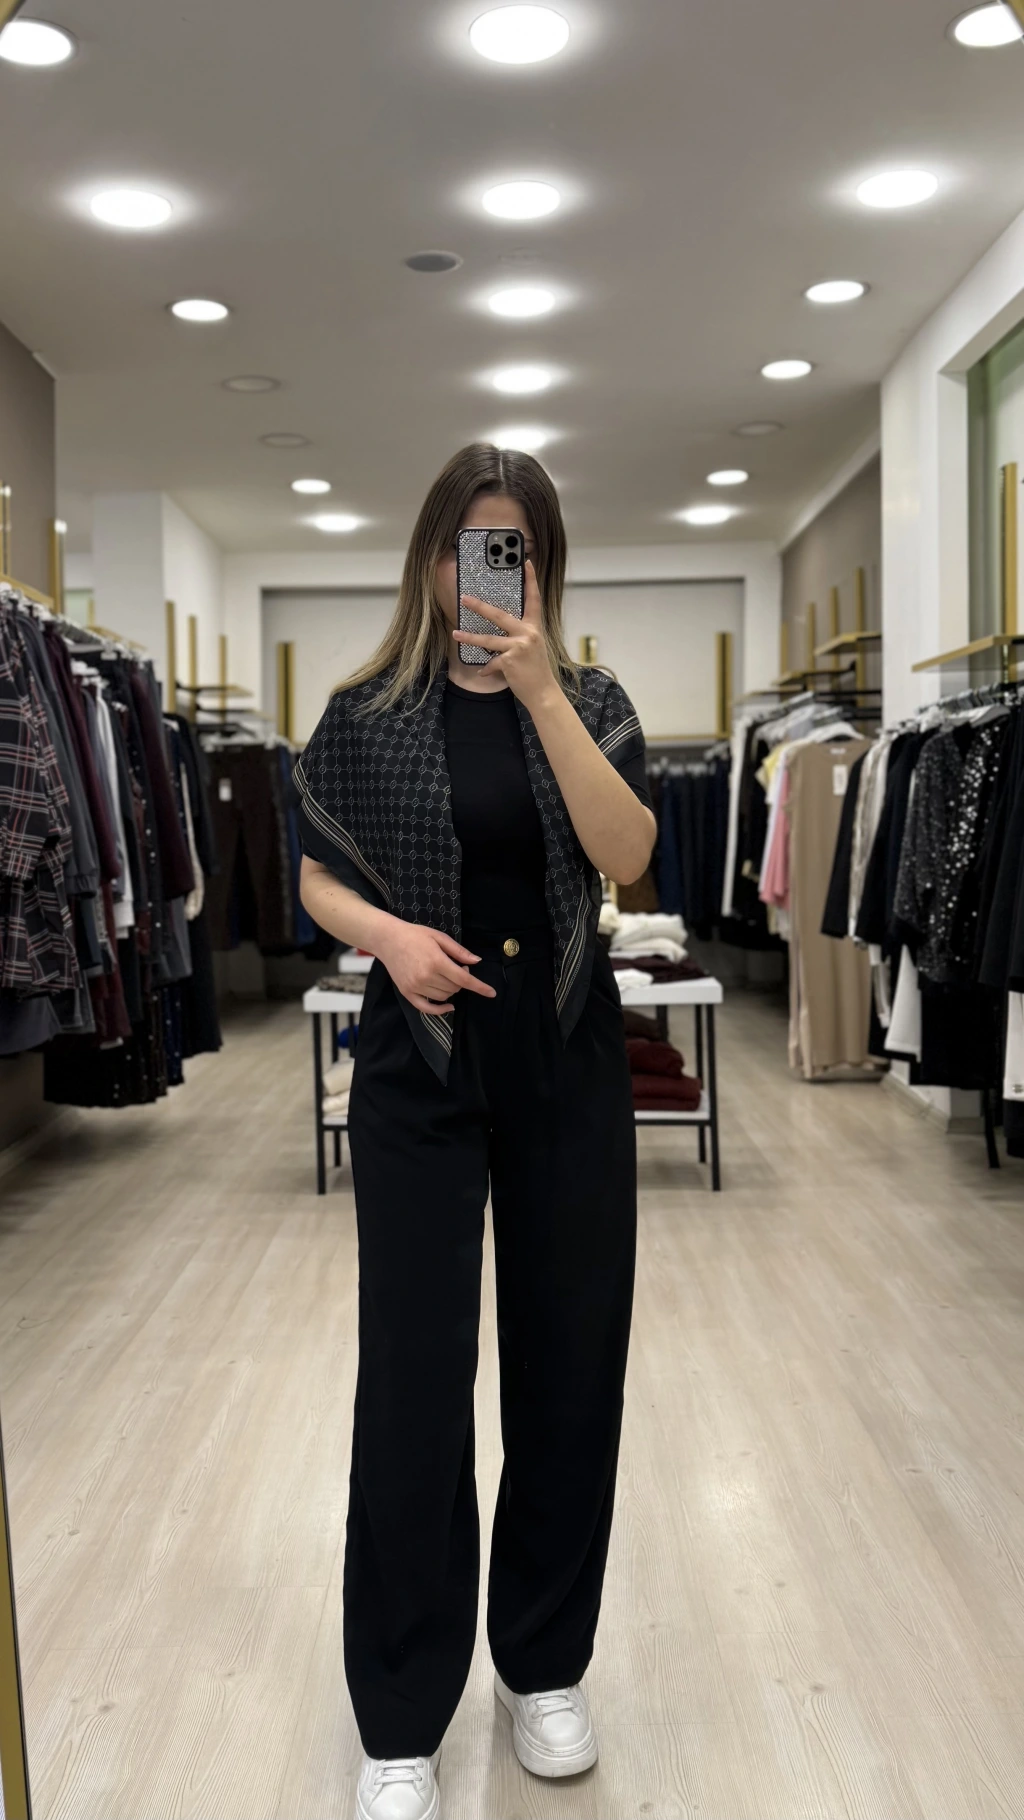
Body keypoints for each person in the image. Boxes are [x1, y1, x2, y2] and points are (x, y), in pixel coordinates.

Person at [296, 443, 656, 1820]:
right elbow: (319, 876)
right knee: (411, 1380)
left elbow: (628, 855)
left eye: (511, 547)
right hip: (419, 1059)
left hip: (562, 1052)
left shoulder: (595, 698)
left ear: (543, 565)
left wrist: (546, 690)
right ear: (431, 556)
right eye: (465, 545)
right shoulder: (367, 711)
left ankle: (542, 1667)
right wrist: (389, 940)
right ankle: (400, 1713)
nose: (482, 572)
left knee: (570, 1366)